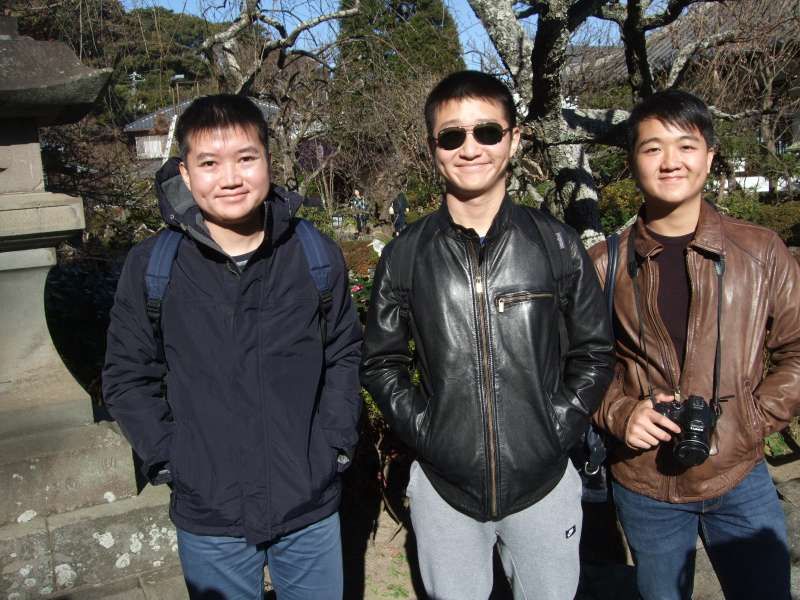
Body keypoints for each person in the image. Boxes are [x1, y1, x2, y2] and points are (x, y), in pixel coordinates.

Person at [360, 70, 616, 600]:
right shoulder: (406, 255)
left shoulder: (557, 246)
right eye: (451, 135)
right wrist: (429, 432)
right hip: (444, 487)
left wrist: (555, 426)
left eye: (487, 132)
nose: (470, 147)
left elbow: (594, 351)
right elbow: (381, 362)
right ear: (432, 147)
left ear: (514, 138)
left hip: (544, 482)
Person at [103, 94, 362, 599]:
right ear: (184, 171)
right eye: (209, 163)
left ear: (269, 159)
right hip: (209, 509)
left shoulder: (313, 255)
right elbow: (127, 375)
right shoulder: (154, 266)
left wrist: (333, 445)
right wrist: (169, 458)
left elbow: (344, 354)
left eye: (246, 158)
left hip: (308, 500)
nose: (230, 178)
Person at [589, 89, 800, 600]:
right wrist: (620, 413)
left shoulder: (760, 251)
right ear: (632, 162)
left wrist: (753, 419)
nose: (670, 162)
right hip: (644, 484)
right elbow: (576, 366)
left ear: (709, 156)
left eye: (685, 145)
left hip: (739, 474)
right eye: (652, 147)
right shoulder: (603, 264)